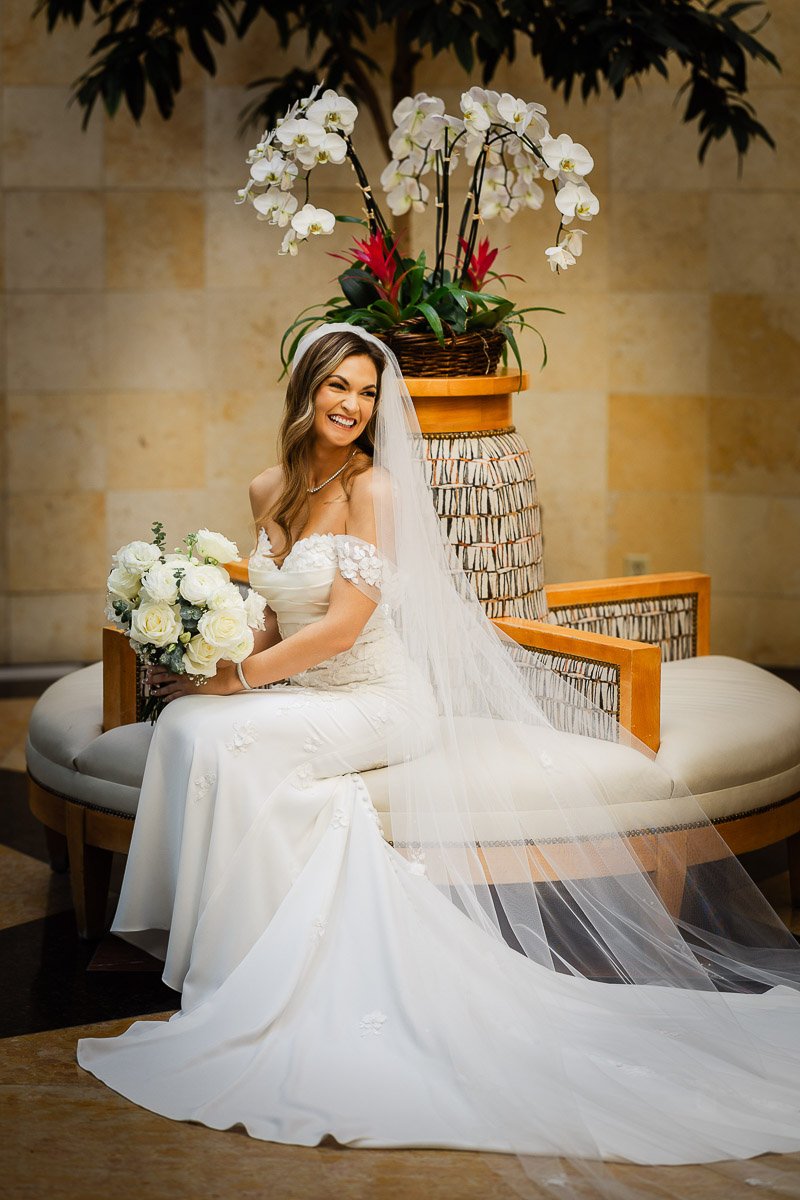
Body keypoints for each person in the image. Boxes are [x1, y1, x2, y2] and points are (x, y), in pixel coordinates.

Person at [78, 325, 800, 1198]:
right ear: (304, 390)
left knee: (213, 728)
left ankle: (250, 969)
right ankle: (216, 954)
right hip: (303, 690)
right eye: (336, 387)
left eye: (367, 391)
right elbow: (275, 610)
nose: (351, 405)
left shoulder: (373, 488)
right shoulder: (269, 486)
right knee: (188, 724)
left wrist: (239, 680)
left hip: (380, 700)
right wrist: (208, 650)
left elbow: (343, 626)